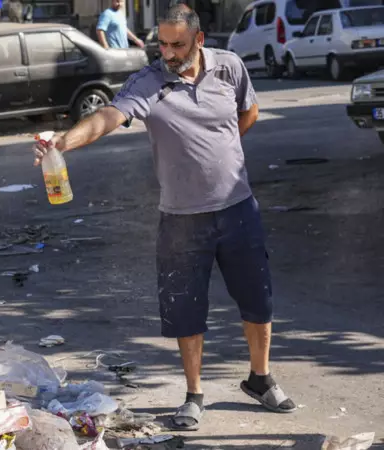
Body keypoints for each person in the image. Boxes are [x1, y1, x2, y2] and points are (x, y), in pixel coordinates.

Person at [32, 4, 297, 431]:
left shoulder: (229, 67)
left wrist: (221, 151)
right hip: (182, 220)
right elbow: (107, 117)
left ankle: (260, 379)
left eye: (178, 45)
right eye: (163, 44)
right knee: (185, 310)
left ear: (199, 40)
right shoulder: (148, 82)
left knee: (258, 300)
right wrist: (64, 141)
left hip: (238, 208)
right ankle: (194, 394)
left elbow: (249, 112)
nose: (168, 53)